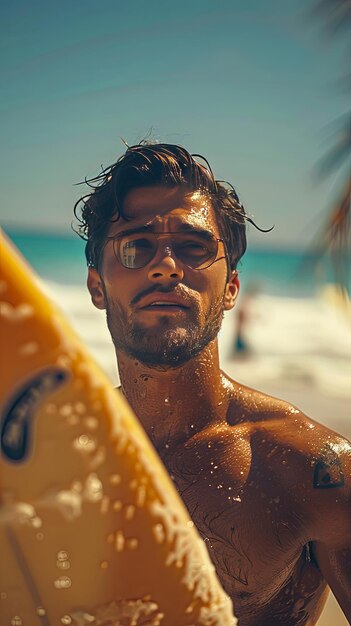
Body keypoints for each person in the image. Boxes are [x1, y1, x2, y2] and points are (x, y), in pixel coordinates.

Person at [75, 142, 351, 625]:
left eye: (194, 247)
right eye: (136, 246)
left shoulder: (310, 471)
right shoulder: (56, 459)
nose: (166, 266)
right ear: (97, 287)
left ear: (230, 289)